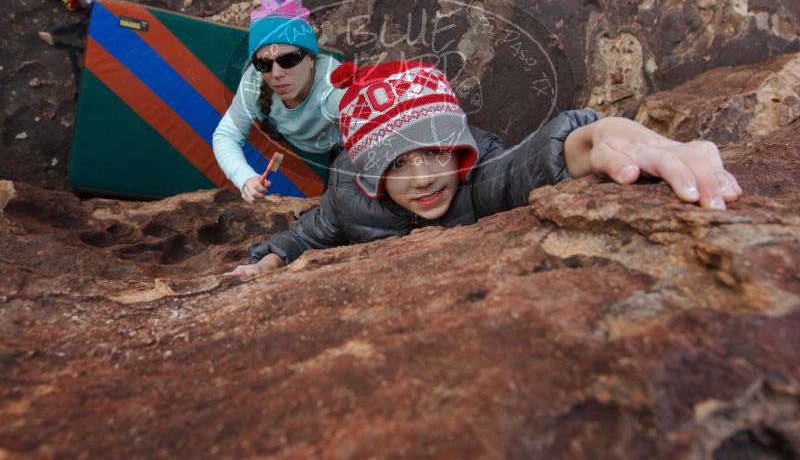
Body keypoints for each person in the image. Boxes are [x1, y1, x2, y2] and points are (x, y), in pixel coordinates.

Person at [224, 60, 741, 277]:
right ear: (368, 171)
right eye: (397, 163)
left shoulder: (476, 178)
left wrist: (599, 135)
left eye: (434, 151)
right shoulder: (348, 196)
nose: (424, 177)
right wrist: (269, 260)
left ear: (459, 148)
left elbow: (526, 166)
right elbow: (307, 235)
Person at [212, 0, 345, 203]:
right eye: (263, 64)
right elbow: (225, 136)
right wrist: (244, 177)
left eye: (289, 60)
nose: (276, 74)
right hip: (285, 133)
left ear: (311, 58)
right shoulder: (254, 82)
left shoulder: (335, 85)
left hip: (337, 141)